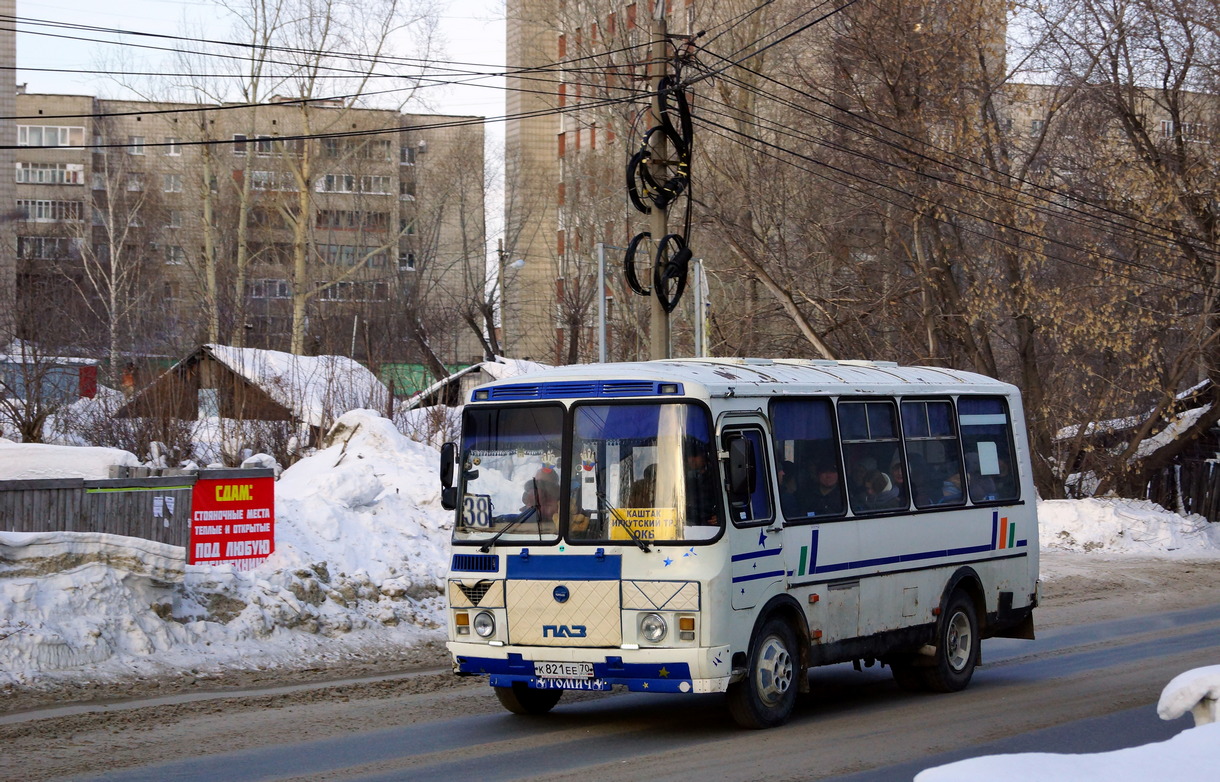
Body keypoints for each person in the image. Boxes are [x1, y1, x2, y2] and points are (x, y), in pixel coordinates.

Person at [684, 443, 719, 525]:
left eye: (695, 455)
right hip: (690, 523)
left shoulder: (717, 475)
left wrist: (720, 515)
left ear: (705, 455)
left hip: (711, 524)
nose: (691, 460)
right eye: (688, 457)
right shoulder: (683, 477)